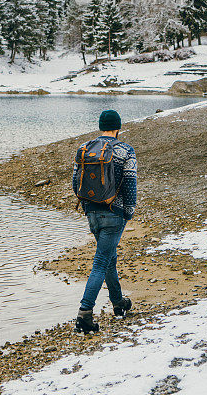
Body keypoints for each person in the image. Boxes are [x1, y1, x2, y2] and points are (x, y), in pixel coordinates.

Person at [72, 109, 137, 333]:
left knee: (108, 257)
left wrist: (89, 207)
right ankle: (85, 313)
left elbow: (75, 182)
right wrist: (127, 212)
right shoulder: (126, 150)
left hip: (92, 212)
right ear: (118, 127)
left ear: (101, 126)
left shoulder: (85, 148)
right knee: (101, 261)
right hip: (114, 213)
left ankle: (118, 303)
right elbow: (130, 184)